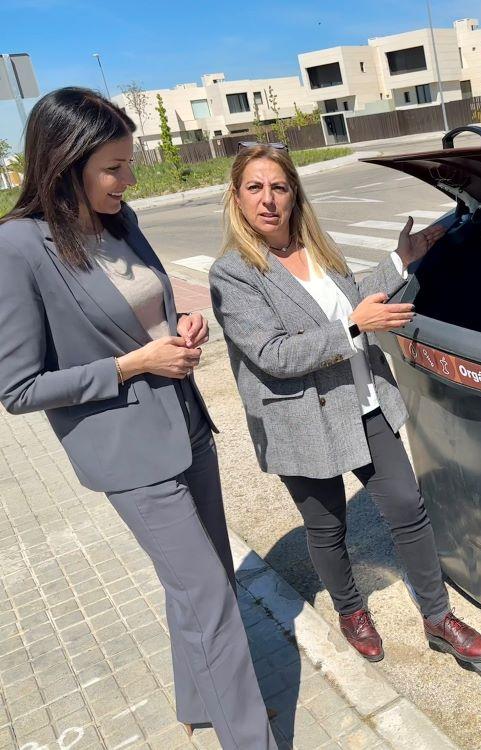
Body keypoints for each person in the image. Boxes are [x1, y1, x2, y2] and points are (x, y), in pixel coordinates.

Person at [0, 88, 277, 749]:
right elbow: (17, 388)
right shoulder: (18, 248)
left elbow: (145, 310)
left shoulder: (121, 219)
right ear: (64, 165)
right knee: (211, 600)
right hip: (128, 455)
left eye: (129, 163)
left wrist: (178, 329)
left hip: (187, 427)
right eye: (113, 168)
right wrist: (135, 364)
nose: (129, 179)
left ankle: (200, 702)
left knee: (206, 582)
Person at [209, 143, 481, 664]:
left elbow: (350, 299)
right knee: (328, 525)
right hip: (300, 418)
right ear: (237, 197)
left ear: (294, 194)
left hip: (363, 401)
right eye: (255, 188)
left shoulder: (316, 246)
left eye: (279, 187)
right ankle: (350, 608)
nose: (268, 199)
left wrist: (399, 260)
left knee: (408, 507)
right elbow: (273, 352)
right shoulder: (233, 273)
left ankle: (437, 616)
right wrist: (357, 325)